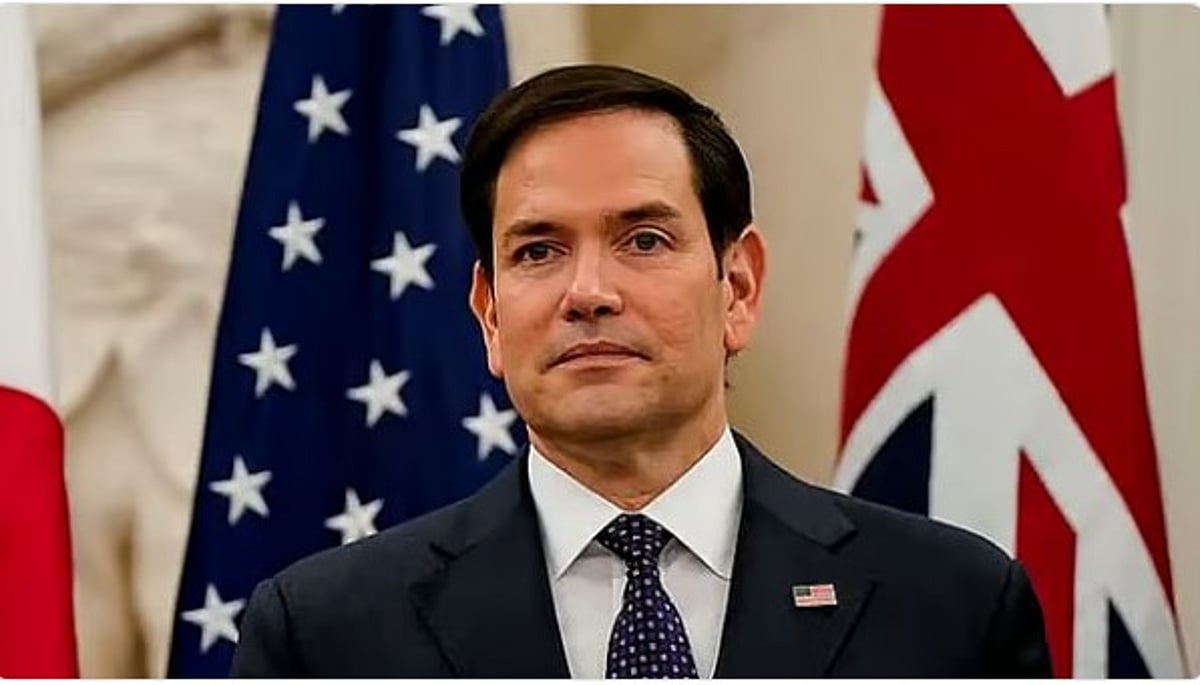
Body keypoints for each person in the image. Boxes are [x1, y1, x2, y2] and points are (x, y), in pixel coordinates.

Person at [231, 64, 1052, 678]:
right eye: (538, 250)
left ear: (738, 287)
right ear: (489, 314)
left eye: (644, 240)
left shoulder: (953, 605)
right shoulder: (323, 634)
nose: (588, 292)